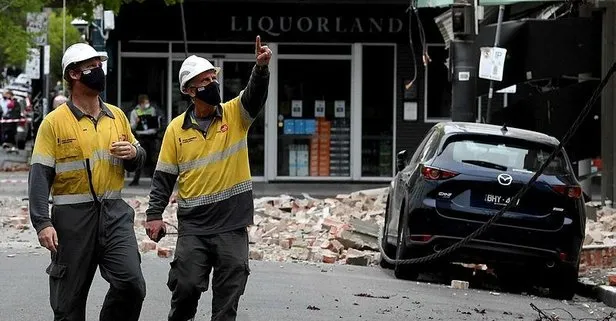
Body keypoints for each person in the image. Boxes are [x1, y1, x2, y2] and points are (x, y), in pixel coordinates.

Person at [145, 35, 272, 321]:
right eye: (204, 81)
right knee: (186, 286)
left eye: (213, 78)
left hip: (232, 224)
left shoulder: (235, 115)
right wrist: (154, 214)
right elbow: (163, 177)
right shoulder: (175, 130)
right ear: (190, 91)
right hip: (194, 227)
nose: (213, 84)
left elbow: (254, 95)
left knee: (230, 291)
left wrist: (261, 69)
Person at [28, 42, 147, 321]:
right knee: (68, 304)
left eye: (99, 66)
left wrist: (134, 153)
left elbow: (138, 155)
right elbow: (40, 175)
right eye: (91, 67)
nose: (99, 71)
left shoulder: (116, 116)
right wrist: (42, 222)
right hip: (72, 220)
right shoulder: (54, 123)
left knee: (131, 284)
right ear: (74, 74)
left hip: (114, 214)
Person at [129, 94, 160, 186]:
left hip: (151, 137)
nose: (147, 104)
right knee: (140, 158)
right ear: (141, 103)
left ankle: (154, 180)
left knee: (153, 159)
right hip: (141, 137)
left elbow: (155, 124)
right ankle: (136, 180)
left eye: (148, 102)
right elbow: (132, 126)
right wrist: (137, 122)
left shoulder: (152, 110)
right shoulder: (135, 112)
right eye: (145, 103)